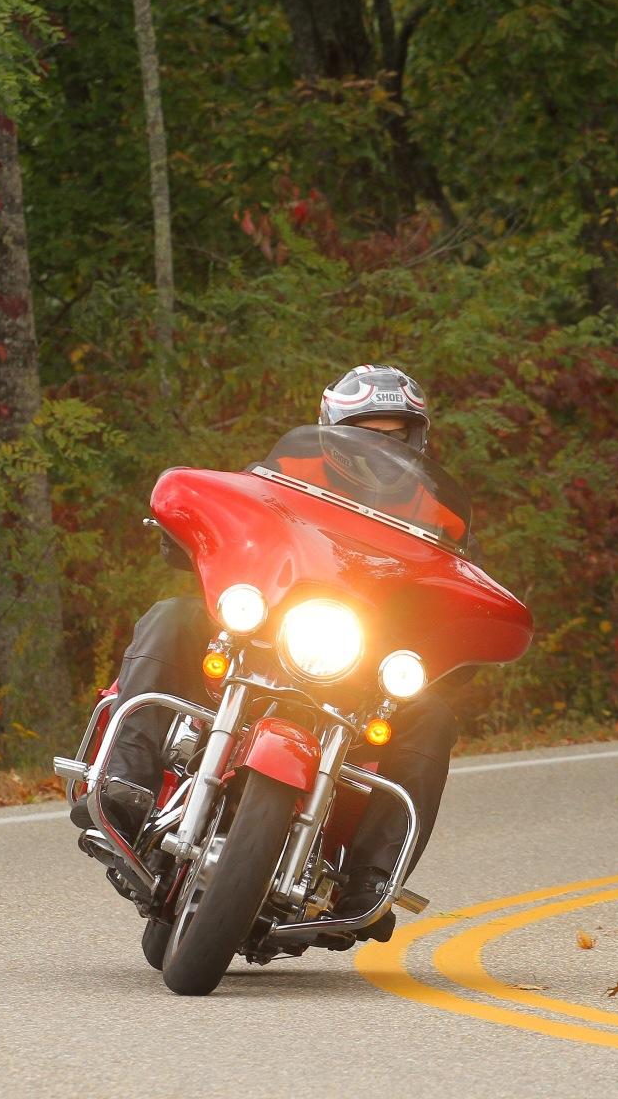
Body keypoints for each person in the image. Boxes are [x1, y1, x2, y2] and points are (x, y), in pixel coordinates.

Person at [73, 364, 466, 942]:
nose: (378, 446)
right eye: (363, 431)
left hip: (361, 659)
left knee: (432, 716)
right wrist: (189, 531)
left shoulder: (439, 513)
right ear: (332, 427)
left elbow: (460, 589)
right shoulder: (286, 472)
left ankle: (371, 881)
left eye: (393, 434)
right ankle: (124, 780)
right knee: (173, 617)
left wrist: (464, 626)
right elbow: (234, 520)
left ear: (416, 436)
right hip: (269, 634)